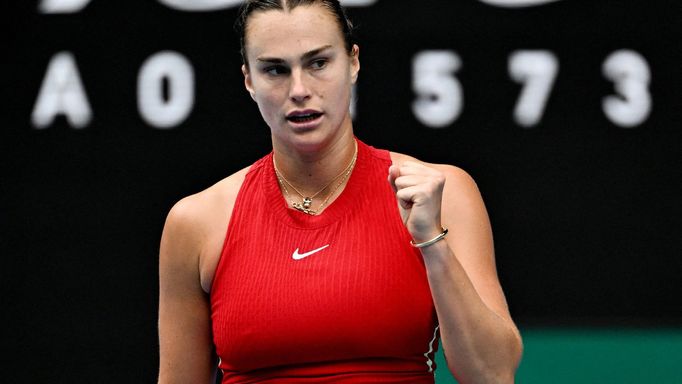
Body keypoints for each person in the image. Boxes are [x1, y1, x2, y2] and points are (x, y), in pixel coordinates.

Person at [157, 0, 523, 383]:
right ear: (249, 80)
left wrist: (432, 242)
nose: (299, 90)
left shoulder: (442, 193)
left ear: (353, 62)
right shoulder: (196, 221)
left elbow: (493, 374)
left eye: (318, 63)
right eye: (275, 70)